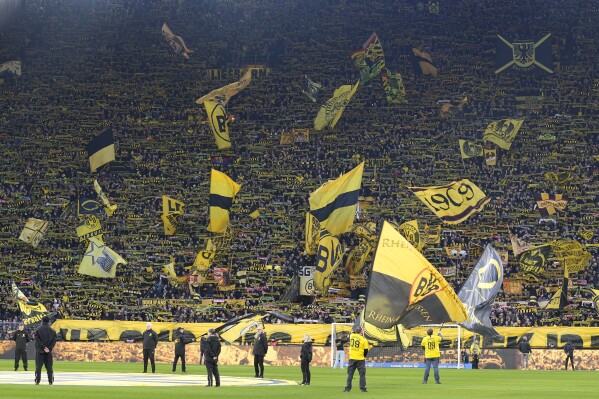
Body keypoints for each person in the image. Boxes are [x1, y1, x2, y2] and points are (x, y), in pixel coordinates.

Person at [344, 327, 369, 393]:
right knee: (362, 374)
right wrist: (364, 356)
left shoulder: (352, 336)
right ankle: (362, 389)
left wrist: (361, 331)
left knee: (350, 374)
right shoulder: (364, 339)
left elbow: (352, 332)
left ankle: (347, 388)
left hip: (352, 358)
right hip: (360, 359)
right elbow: (366, 350)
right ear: (361, 331)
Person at [34, 316, 57, 385]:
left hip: (40, 351)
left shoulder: (38, 330)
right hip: (48, 352)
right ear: (48, 321)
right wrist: (49, 348)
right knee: (49, 367)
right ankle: (50, 381)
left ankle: (37, 380)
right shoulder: (52, 331)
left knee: (38, 367)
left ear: (42, 321)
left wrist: (43, 347)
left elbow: (37, 340)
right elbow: (54, 341)